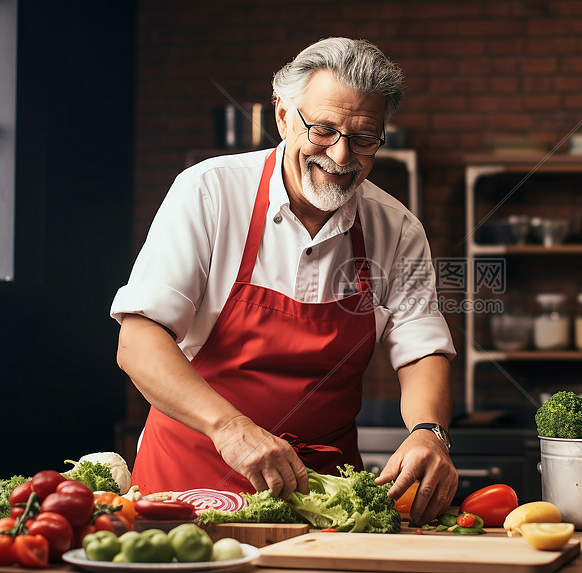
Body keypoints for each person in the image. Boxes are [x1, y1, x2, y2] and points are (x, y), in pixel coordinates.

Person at [110, 37, 457, 524]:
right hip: (188, 483)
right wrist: (229, 426)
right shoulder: (209, 192)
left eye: (363, 138)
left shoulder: (396, 228)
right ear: (283, 115)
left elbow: (421, 347)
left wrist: (428, 431)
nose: (341, 156)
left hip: (325, 499)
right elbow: (139, 340)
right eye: (324, 130)